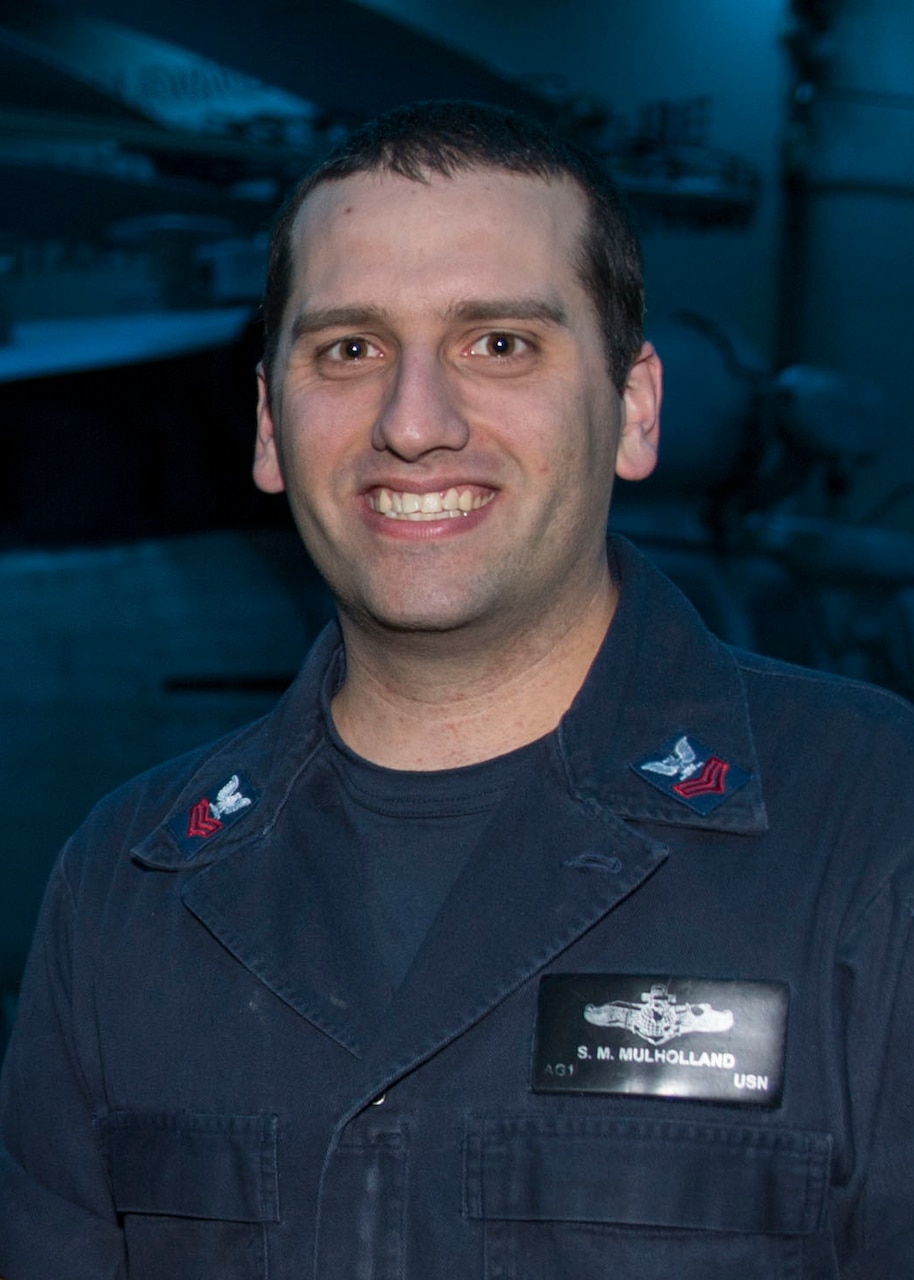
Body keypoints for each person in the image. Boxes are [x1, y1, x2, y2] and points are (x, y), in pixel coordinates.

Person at [1, 99, 913, 1280]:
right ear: (272, 427)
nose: (413, 423)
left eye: (498, 344)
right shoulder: (124, 883)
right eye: (348, 348)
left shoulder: (871, 833)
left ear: (634, 409)